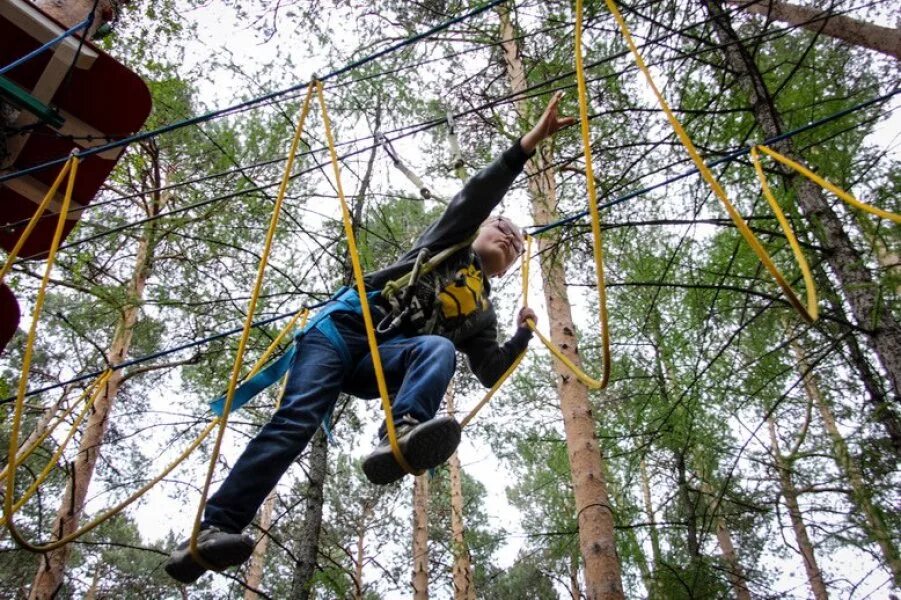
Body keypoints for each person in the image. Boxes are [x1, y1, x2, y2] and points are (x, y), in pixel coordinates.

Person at [165, 92, 574, 584]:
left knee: (439, 347)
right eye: (502, 227)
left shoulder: (482, 315)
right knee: (297, 420)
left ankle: (399, 433)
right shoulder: (450, 243)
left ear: (509, 269)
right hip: (341, 333)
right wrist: (527, 145)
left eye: (516, 245)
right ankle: (215, 529)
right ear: (479, 230)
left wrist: (521, 338)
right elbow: (479, 192)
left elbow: (487, 371)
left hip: (380, 361)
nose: (509, 238)